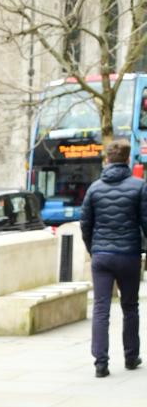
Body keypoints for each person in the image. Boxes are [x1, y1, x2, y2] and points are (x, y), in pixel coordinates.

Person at [79, 139, 147, 377]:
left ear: (107, 159)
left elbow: (85, 224)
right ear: (128, 159)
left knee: (101, 309)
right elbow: (145, 222)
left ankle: (101, 363)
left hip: (102, 256)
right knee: (130, 307)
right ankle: (131, 356)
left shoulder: (95, 188)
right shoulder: (139, 186)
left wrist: (93, 249)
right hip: (128, 255)